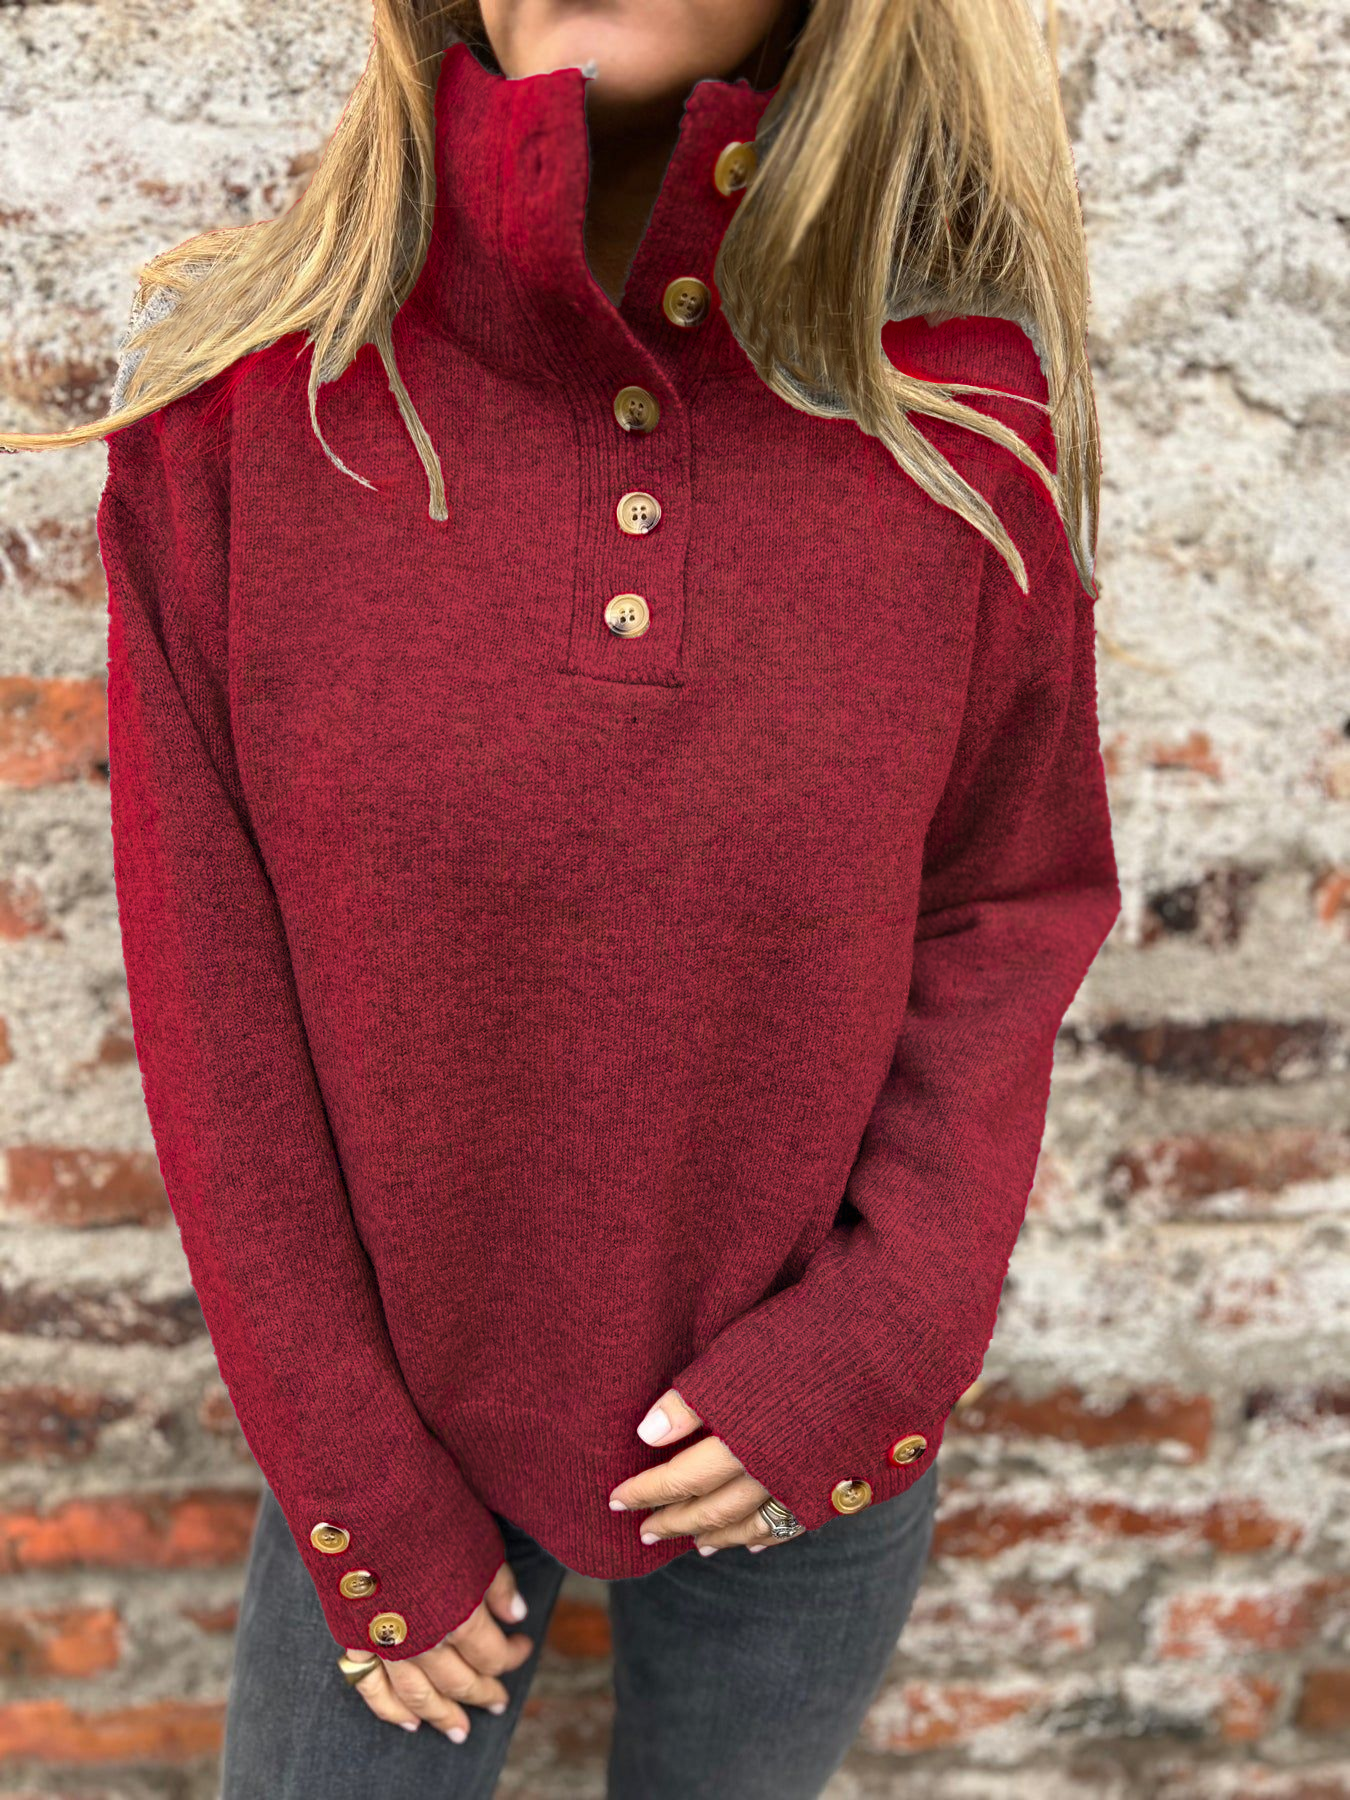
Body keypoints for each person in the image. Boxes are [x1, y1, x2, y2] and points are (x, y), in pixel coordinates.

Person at [1, 0, 1122, 1793]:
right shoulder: (248, 420)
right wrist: (356, 1482)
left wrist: (885, 1335)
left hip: (807, 1419)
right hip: (394, 1440)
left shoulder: (960, 427)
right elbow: (213, 1015)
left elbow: (1009, 907)